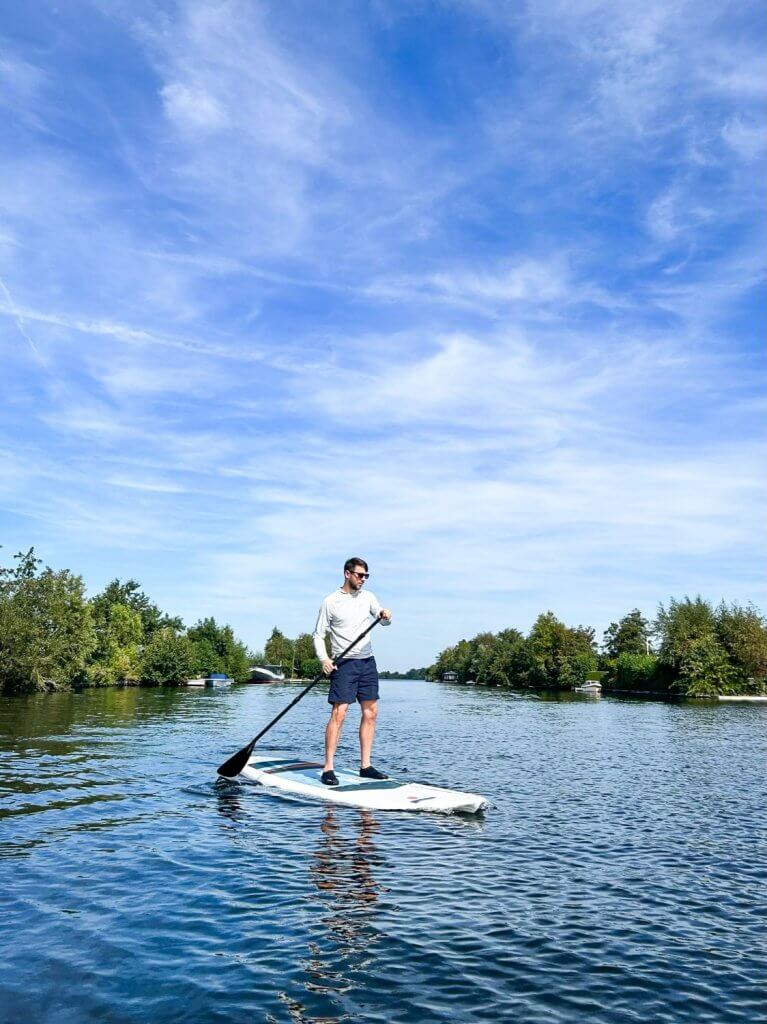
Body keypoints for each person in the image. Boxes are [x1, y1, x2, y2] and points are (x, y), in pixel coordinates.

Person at [312, 557, 392, 786]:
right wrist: (324, 659)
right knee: (340, 713)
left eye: (366, 576)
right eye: (359, 575)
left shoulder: (368, 597)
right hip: (344, 663)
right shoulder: (330, 601)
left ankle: (365, 766)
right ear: (347, 574)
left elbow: (381, 618)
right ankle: (328, 768)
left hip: (367, 662)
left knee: (371, 712)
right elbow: (318, 635)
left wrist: (385, 615)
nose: (363, 579)